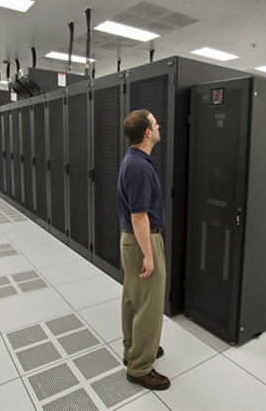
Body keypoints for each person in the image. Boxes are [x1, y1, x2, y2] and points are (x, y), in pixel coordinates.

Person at [117, 109, 170, 390]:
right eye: (155, 123)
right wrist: (149, 255)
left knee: (133, 300)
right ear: (148, 132)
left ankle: (134, 350)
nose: (159, 125)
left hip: (132, 240)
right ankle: (140, 367)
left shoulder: (134, 160)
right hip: (142, 241)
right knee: (149, 306)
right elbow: (140, 216)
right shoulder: (139, 167)